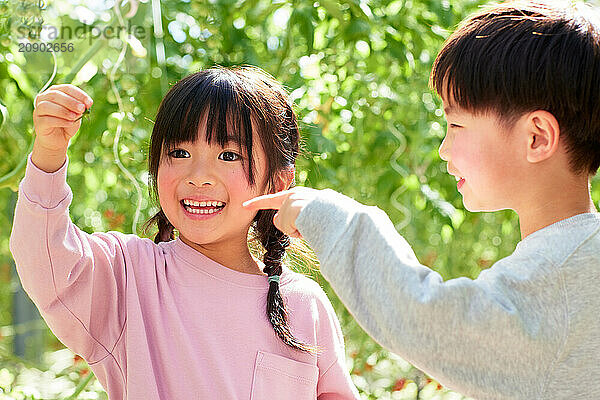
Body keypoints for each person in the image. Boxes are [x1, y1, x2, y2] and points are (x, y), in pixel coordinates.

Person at [244, 1, 600, 399]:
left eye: (456, 124)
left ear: (536, 137)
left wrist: (332, 218)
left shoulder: (561, 277)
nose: (445, 148)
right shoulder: (575, 259)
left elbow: (425, 319)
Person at [9, 67, 360, 399]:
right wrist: (49, 155)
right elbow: (44, 259)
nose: (198, 176)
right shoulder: (129, 275)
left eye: (228, 154)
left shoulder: (303, 303)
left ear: (278, 183)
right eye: (179, 152)